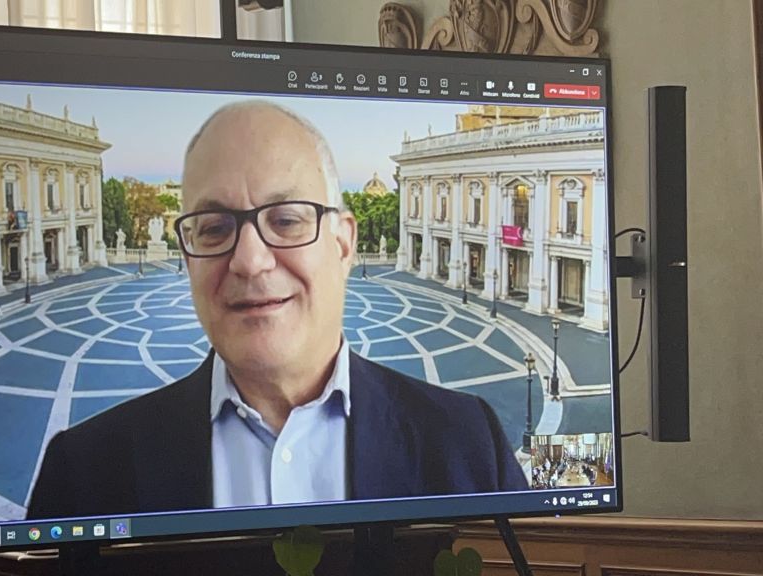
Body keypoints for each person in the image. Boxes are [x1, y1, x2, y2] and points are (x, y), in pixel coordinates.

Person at [27, 100, 527, 520]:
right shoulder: (81, 473)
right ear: (187, 256)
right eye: (214, 228)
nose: (250, 261)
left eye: (286, 220)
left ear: (344, 244)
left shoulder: (471, 443)